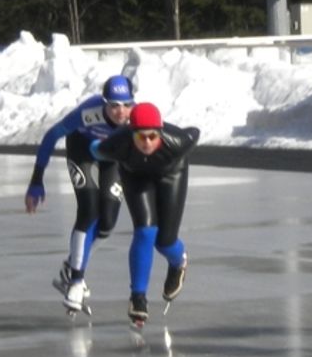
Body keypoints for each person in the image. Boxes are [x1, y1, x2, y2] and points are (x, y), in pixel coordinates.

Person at [25, 75, 135, 313]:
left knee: (107, 223)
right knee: (89, 209)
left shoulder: (135, 119)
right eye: (114, 105)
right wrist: (36, 179)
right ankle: (76, 280)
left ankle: (71, 266)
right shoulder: (89, 111)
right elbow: (52, 135)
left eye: (127, 104)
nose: (121, 111)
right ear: (105, 102)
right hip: (82, 151)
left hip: (111, 157)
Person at [90, 103, 198, 327]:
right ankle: (138, 298)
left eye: (152, 136)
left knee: (165, 242)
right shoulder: (118, 144)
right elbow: (95, 148)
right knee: (145, 232)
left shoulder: (178, 142)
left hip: (172, 174)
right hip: (136, 177)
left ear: (160, 132)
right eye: (141, 137)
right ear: (131, 133)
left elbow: (194, 132)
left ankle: (179, 263)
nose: (147, 142)